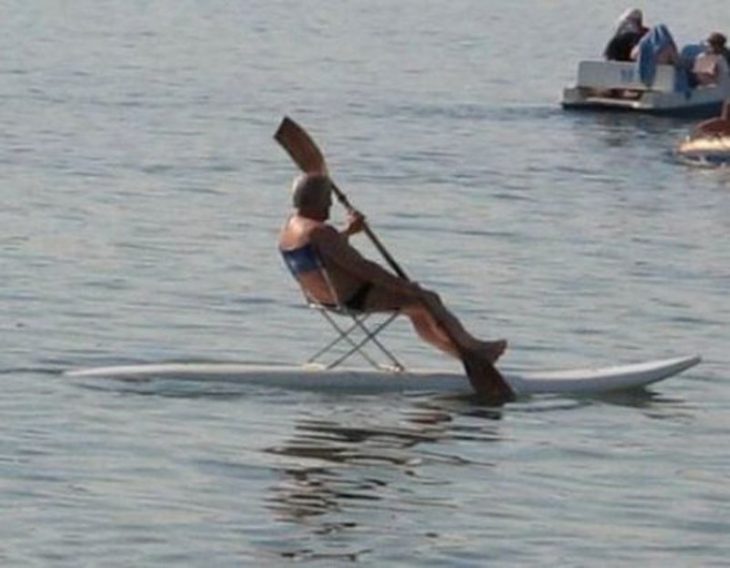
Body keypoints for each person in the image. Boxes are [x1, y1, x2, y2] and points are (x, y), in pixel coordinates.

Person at [278, 173, 508, 369]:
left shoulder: (291, 228)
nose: (329, 205)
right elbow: (365, 270)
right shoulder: (321, 232)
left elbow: (327, 254)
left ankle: (467, 357)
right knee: (426, 299)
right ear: (314, 200)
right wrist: (405, 286)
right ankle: (474, 348)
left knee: (416, 309)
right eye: (326, 200)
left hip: (323, 299)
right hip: (352, 298)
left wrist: (347, 232)